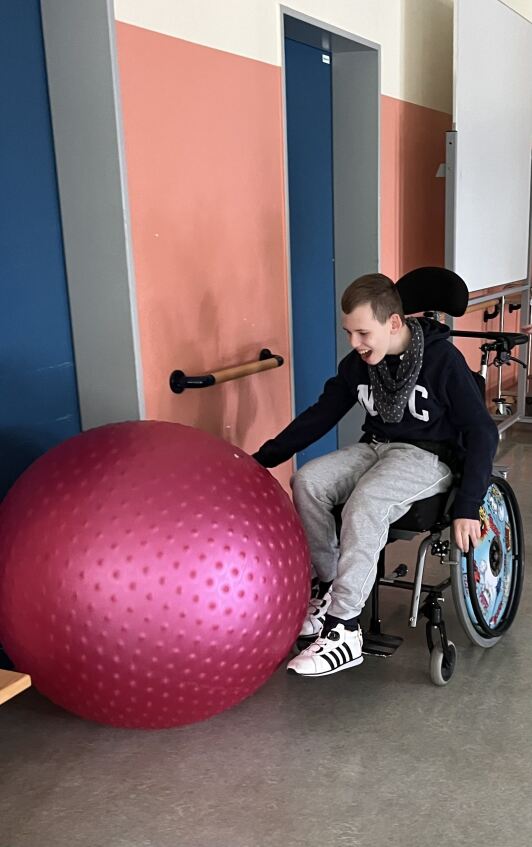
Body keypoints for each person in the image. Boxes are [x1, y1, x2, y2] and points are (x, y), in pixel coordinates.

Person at [253, 273, 499, 678]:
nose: (355, 343)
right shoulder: (359, 364)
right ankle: (332, 586)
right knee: (308, 481)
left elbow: (482, 431)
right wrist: (267, 456)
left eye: (363, 333)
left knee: (367, 501)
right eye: (349, 332)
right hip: (377, 447)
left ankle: (344, 629)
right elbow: (322, 413)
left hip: (427, 457)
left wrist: (469, 505)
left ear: (394, 324)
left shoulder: (441, 360)